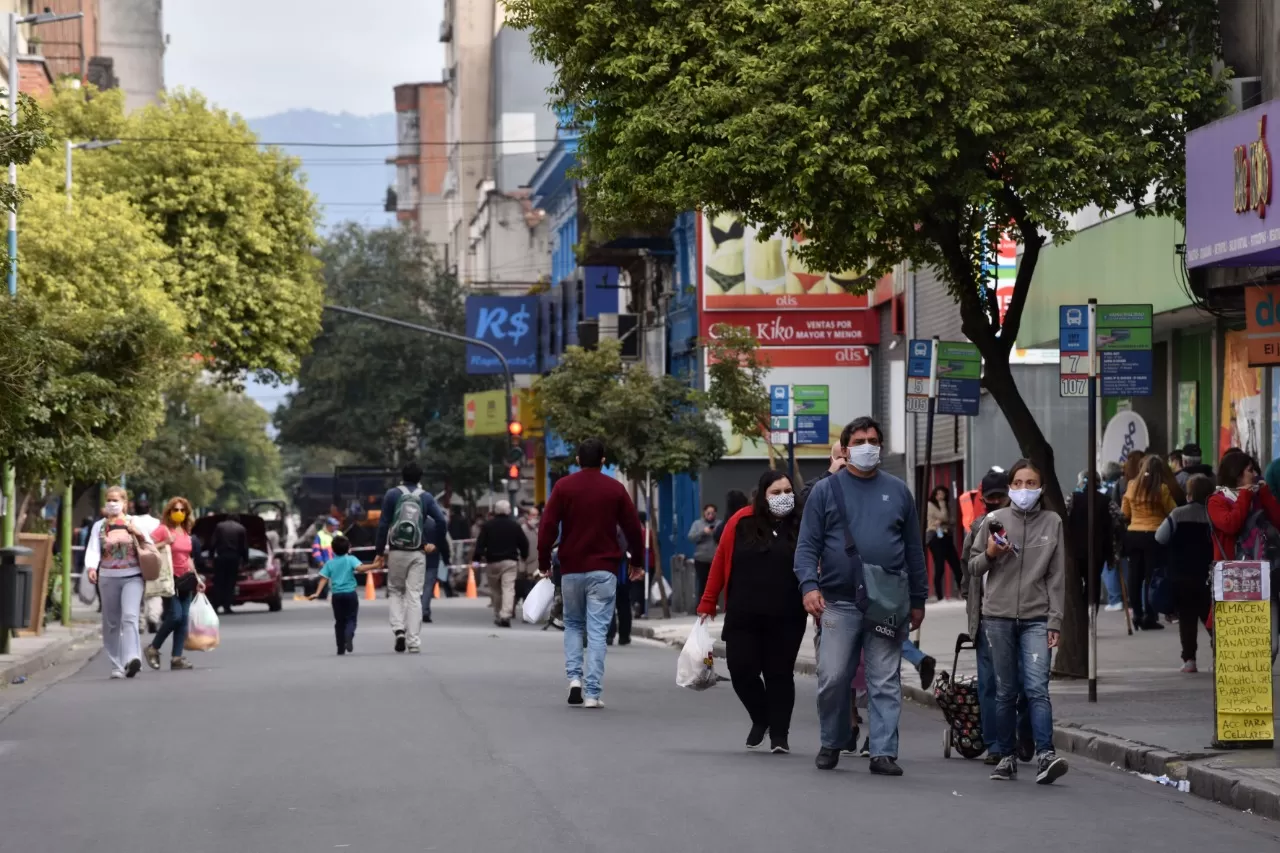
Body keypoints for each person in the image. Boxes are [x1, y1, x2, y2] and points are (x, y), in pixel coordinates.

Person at [795, 416, 927, 776]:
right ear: (845, 448)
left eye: (873, 439)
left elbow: (914, 548)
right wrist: (809, 585)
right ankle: (834, 738)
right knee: (833, 677)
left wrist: (919, 599)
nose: (867, 446)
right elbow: (807, 545)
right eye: (859, 441)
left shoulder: (899, 491)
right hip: (838, 601)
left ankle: (883, 751)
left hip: (888, 602)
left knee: (884, 678)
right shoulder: (826, 490)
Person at [968, 458, 1068, 785]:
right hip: (998, 617)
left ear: (1041, 488)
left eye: (1031, 483)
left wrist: (1055, 620)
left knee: (1037, 688)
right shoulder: (994, 520)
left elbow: (1056, 576)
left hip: (1037, 617)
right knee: (1005, 690)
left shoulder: (1053, 522)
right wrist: (992, 554)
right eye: (1018, 483)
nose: (1024, 489)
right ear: (1010, 487)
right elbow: (973, 567)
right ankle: (1006, 756)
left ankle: (1045, 754)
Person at [698, 470, 806, 754]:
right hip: (743, 615)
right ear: (762, 495)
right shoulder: (741, 521)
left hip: (787, 617)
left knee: (779, 674)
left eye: (787, 492)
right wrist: (708, 601)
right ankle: (762, 718)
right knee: (741, 670)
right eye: (776, 492)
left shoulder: (802, 524)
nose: (783, 497)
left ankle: (779, 735)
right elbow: (721, 560)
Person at [538, 438, 645, 708]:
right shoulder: (615, 489)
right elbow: (633, 528)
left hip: (571, 569)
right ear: (603, 460)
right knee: (597, 631)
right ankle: (593, 693)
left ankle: (574, 679)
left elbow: (547, 526)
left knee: (573, 624)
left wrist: (543, 562)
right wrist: (637, 562)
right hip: (604, 570)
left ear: (577, 460)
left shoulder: (563, 487)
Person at [961, 470, 1031, 766]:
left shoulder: (1026, 526)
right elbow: (968, 571)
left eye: (999, 497)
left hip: (1023, 613)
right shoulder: (978, 528)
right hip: (989, 617)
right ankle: (996, 745)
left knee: (1027, 682)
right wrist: (973, 607)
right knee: (990, 683)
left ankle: (1023, 735)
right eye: (989, 499)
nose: (994, 504)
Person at [1207, 450, 1280, 664]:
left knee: (1270, 644)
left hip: (1264, 577)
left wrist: (1264, 495)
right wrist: (1245, 497)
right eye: (1250, 470)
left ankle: (1256, 683)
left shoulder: (1258, 496)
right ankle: (1244, 687)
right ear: (1237, 474)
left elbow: (1277, 520)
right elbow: (1231, 524)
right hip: (1235, 580)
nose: (1255, 474)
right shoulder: (1217, 501)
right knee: (1240, 643)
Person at [372, 461, 448, 653]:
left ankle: (399, 629)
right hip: (418, 552)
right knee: (414, 595)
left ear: (402, 476)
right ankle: (413, 641)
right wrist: (435, 544)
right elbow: (441, 521)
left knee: (396, 591)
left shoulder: (391, 495)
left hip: (397, 550)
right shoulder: (426, 497)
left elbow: (383, 525)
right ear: (420, 478)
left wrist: (379, 551)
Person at [84, 486, 147, 679]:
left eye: (116, 500)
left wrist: (138, 533)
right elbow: (94, 549)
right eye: (109, 500)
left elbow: (149, 545)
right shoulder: (99, 526)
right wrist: (92, 568)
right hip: (108, 577)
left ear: (125, 503)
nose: (112, 503)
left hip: (133, 576)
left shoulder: (134, 522)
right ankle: (117, 664)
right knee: (111, 623)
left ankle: (132, 659)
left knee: (129, 617)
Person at [1156, 474, 1215, 673]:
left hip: (1181, 574)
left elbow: (1160, 537)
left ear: (1189, 494)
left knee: (1187, 619)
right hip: (1207, 575)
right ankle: (1220, 655)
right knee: (1211, 617)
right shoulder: (1213, 514)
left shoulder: (1178, 514)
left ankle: (1189, 659)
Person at [144, 497, 201, 672]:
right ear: (169, 512)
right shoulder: (163, 530)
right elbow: (147, 549)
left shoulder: (186, 532)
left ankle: (177, 658)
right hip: (169, 580)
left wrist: (197, 579)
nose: (179, 513)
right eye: (175, 510)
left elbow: (188, 559)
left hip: (186, 580)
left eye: (182, 510)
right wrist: (165, 543)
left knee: (183, 619)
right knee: (175, 616)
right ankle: (153, 647)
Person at [1122, 454, 1177, 630]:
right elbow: (1173, 511)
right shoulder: (1162, 489)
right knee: (1150, 577)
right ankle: (1150, 615)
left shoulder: (1131, 486)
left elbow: (1125, 513)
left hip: (1134, 535)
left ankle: (1136, 614)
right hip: (1154, 535)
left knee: (1134, 576)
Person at [473, 499, 529, 628]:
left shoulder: (488, 526)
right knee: (508, 588)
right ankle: (506, 615)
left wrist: (477, 558)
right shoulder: (514, 525)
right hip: (510, 562)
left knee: (495, 590)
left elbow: (480, 544)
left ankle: (498, 614)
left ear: (496, 511)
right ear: (508, 510)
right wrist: (524, 556)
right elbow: (524, 543)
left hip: (492, 562)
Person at [308, 535, 362, 654]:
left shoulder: (330, 563)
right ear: (348, 548)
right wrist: (375, 565)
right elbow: (361, 569)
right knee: (351, 618)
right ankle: (349, 635)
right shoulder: (351, 559)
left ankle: (340, 647)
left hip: (336, 596)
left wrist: (317, 593)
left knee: (339, 621)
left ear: (332, 550)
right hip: (350, 594)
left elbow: (323, 579)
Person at [131, 496, 163, 633]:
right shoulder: (157, 522)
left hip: (135, 560)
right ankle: (153, 618)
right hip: (154, 559)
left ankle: (140, 623)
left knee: (138, 592)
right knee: (154, 591)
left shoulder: (131, 521)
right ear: (149, 509)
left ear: (135, 509)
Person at [208, 514, 249, 616]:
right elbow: (244, 547)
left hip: (221, 557)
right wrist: (245, 560)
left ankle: (216, 605)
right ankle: (227, 606)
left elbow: (213, 543)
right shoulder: (241, 528)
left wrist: (211, 557)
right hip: (234, 558)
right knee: (230, 582)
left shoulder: (219, 526)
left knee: (219, 582)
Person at [926, 486, 962, 600]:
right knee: (939, 566)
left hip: (946, 536)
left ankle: (963, 592)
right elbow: (944, 516)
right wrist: (941, 505)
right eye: (938, 494)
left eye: (943, 494)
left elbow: (952, 520)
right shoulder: (930, 505)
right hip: (935, 537)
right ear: (934, 495)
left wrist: (944, 520)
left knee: (956, 565)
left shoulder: (946, 505)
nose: (941, 496)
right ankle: (939, 595)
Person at [688, 504, 719, 603]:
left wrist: (715, 533)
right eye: (708, 513)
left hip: (715, 558)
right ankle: (701, 604)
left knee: (714, 583)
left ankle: (713, 604)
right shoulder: (697, 524)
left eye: (712, 513)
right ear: (704, 513)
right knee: (702, 582)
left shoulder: (719, 524)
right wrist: (703, 532)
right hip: (701, 558)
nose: (710, 515)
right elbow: (691, 537)